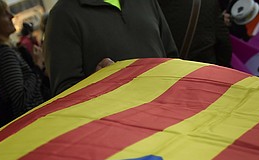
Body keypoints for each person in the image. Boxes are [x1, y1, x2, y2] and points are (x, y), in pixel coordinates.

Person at [44, 0, 179, 96]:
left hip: (168, 111)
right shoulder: (62, 16)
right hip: (123, 126)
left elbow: (172, 56)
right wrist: (97, 84)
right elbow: (64, 95)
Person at [0, 0, 49, 128]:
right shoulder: (4, 54)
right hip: (32, 123)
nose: (12, 16)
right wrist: (37, 66)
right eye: (4, 14)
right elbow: (21, 99)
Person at [158, 0, 232, 66]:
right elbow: (224, 44)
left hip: (160, 72)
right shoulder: (208, 3)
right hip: (200, 72)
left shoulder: (151, 5)